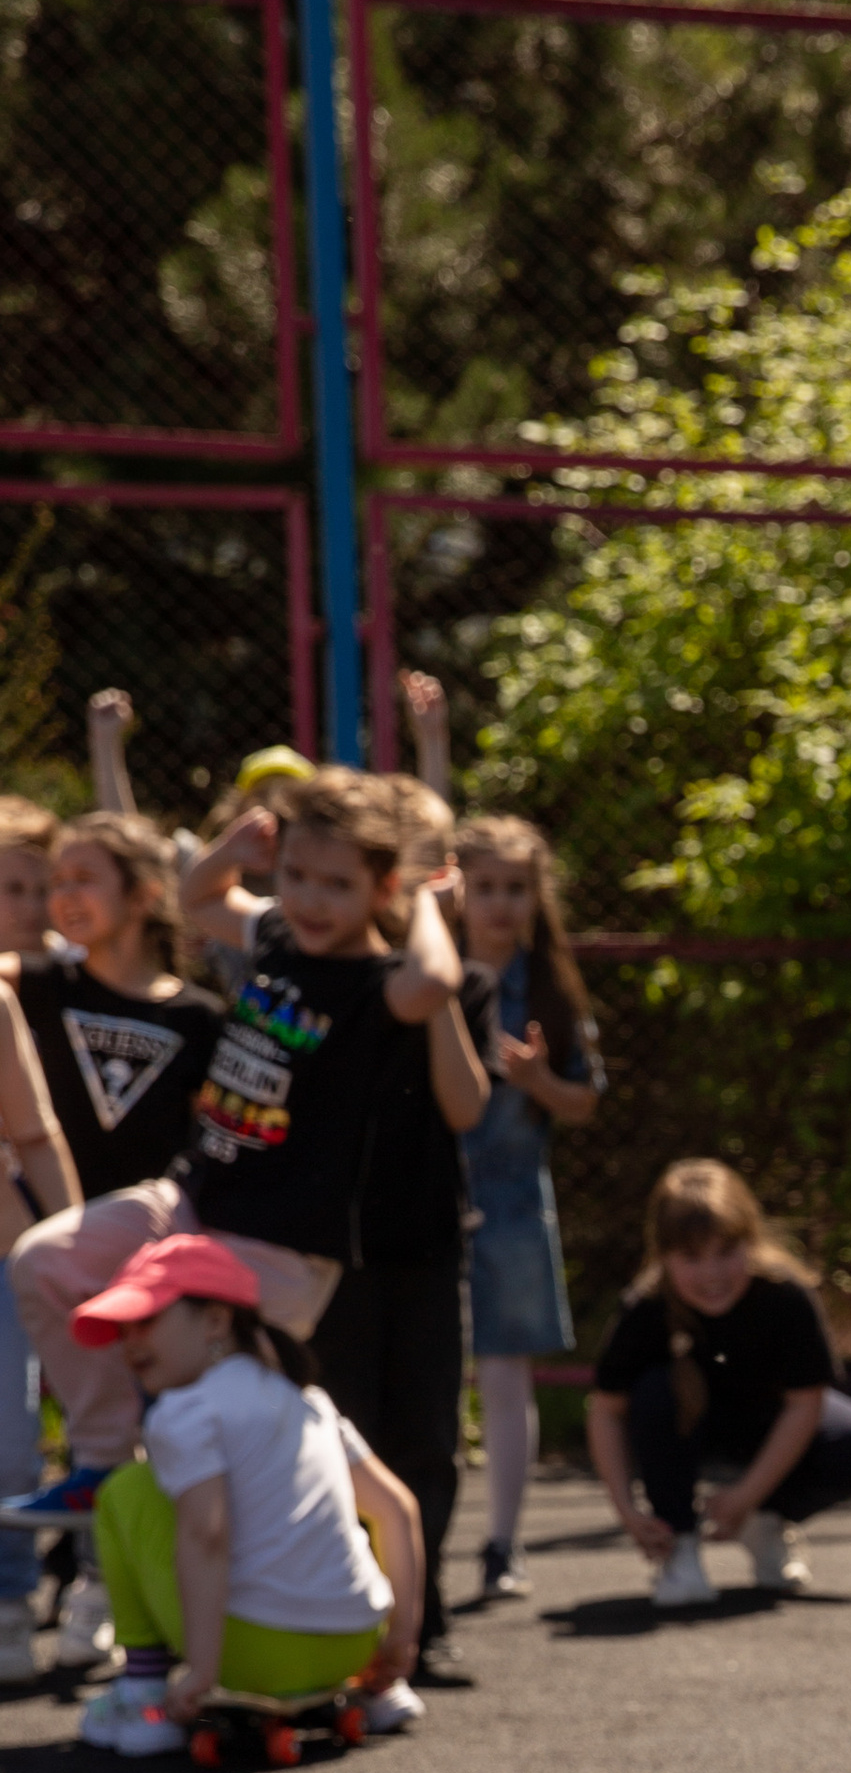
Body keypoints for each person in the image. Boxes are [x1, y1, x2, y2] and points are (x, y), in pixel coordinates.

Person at [4, 772, 481, 1555]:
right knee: (45, 1262)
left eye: (336, 884)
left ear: (381, 888)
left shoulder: (375, 984)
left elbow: (435, 980)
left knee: (255, 1427)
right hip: (196, 1199)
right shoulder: (281, 938)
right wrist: (235, 849)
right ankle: (101, 1458)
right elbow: (199, 898)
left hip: (282, 1248)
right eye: (295, 876)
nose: (311, 899)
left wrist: (427, 904)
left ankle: (347, 1589)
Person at [5, 806, 232, 1674]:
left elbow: (209, 1142)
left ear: (144, 898)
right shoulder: (41, 984)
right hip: (48, 1243)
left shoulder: (202, 1019)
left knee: (163, 1427)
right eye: (53, 881)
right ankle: (42, 1587)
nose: (62, 897)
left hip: (149, 1262)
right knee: (55, 1436)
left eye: (81, 880)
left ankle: (112, 1590)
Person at [65, 1229, 423, 1759]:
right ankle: (388, 1694)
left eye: (146, 1319)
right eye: (122, 1327)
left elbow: (207, 1534)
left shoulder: (184, 1412)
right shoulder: (307, 1401)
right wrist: (400, 1643)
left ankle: (142, 1692)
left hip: (253, 1655)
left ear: (215, 1319)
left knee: (124, 1489)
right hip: (354, 1647)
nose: (130, 1341)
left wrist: (201, 1675)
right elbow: (398, 1509)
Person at [297, 721, 489, 1690]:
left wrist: (441, 959)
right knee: (346, 1428)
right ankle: (348, 1612)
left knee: (425, 1440)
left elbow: (465, 1105)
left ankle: (428, 1614)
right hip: (326, 1253)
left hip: (422, 1244)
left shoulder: (443, 985)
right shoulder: (314, 975)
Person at [587, 1160, 851, 1610]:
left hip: (765, 1424)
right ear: (663, 1255)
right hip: (690, 1430)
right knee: (653, 1393)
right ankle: (677, 1544)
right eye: (692, 1257)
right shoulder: (646, 1308)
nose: (712, 1273)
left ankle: (767, 1519)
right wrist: (627, 1511)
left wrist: (747, 1496)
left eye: (726, 1251)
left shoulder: (786, 1296)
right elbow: (606, 1410)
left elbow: (806, 1403)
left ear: (752, 1240)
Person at [449, 811, 602, 1603]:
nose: (502, 904)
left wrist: (541, 1082)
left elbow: (584, 1098)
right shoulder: (428, 971)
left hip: (511, 1201)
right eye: (486, 887)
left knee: (507, 1377)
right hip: (431, 1196)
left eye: (517, 888)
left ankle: (502, 1544)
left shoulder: (548, 987)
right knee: (432, 1376)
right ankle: (415, 1538)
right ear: (458, 889)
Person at [0, 937, 76, 1685]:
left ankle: (10, 1604)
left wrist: (78, 1246)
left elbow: (37, 1135)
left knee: (9, 1442)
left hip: (4, 1258)